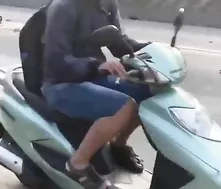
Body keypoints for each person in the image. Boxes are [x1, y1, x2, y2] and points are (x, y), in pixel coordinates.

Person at [41, 0, 152, 188]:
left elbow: (118, 43)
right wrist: (96, 65)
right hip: (61, 82)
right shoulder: (64, 7)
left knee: (146, 92)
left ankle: (118, 146)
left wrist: (151, 49)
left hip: (90, 75)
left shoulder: (107, 3)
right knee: (124, 105)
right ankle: (78, 163)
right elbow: (56, 60)